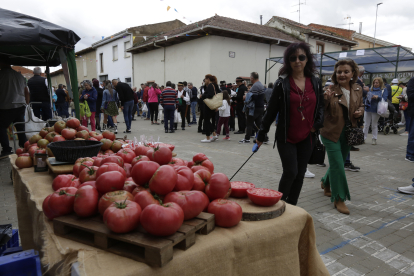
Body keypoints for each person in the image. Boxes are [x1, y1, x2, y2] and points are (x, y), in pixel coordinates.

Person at [256, 42, 324, 206]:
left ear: (307, 59)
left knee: (300, 174)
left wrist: (317, 124)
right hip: (286, 136)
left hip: (308, 136)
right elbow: (271, 110)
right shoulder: (282, 83)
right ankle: (279, 204)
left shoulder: (315, 81)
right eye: (293, 58)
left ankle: (291, 206)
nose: (297, 61)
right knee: (290, 172)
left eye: (301, 57)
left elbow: (321, 106)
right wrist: (261, 133)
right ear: (288, 61)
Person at [321, 59, 364, 214]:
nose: (342, 74)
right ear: (335, 73)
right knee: (339, 165)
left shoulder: (358, 89)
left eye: (346, 71)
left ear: (353, 73)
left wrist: (360, 111)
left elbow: (361, 104)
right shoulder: (329, 89)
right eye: (339, 72)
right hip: (330, 132)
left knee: (336, 163)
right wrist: (325, 98)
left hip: (348, 133)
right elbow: (321, 107)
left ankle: (325, 183)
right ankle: (339, 198)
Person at [0, 56, 30, 158]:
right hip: (20, 105)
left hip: (6, 105)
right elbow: (27, 92)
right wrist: (26, 103)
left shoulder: (1, 75)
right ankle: (25, 146)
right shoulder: (20, 76)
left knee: (1, 127)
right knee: (20, 127)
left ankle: (7, 149)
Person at [240, 72, 265, 144]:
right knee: (259, 124)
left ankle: (247, 138)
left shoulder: (255, 86)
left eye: (250, 78)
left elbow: (255, 97)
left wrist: (246, 97)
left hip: (254, 108)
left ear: (252, 78)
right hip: (260, 107)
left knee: (249, 123)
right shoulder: (260, 84)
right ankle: (265, 138)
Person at [363, 77, 388, 145]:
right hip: (368, 108)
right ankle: (363, 138)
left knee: (374, 124)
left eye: (377, 83)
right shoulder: (370, 89)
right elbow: (364, 97)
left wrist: (378, 97)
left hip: (376, 109)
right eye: (374, 82)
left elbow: (384, 98)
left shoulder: (383, 90)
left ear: (380, 83)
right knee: (366, 124)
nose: (375, 84)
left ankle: (374, 139)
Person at [201, 74, 220, 143]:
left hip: (209, 106)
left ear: (208, 79)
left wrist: (202, 95)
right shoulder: (215, 85)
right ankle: (214, 134)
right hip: (213, 106)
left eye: (205, 79)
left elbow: (210, 95)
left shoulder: (210, 85)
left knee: (206, 120)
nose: (205, 81)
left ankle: (208, 137)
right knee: (208, 120)